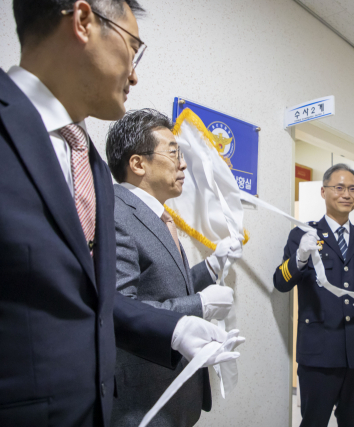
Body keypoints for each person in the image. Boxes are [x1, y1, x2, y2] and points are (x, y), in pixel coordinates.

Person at [0, 2, 240, 425]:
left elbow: (99, 300)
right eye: (133, 49)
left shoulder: (88, 160)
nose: (134, 74)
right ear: (83, 21)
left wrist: (175, 329)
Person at [106, 109, 237, 425]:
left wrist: (210, 265)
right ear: (138, 163)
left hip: (178, 391)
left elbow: (162, 284)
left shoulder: (158, 215)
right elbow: (119, 308)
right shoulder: (115, 212)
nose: (183, 164)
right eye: (173, 153)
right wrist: (200, 305)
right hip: (143, 398)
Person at [274, 163, 354, 427]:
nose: (347, 194)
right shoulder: (303, 235)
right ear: (323, 192)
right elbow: (280, 282)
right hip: (319, 352)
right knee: (314, 422)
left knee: (353, 421)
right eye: (339, 188)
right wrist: (300, 257)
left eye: (352, 189)